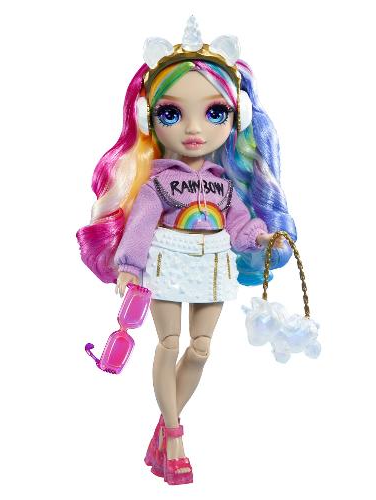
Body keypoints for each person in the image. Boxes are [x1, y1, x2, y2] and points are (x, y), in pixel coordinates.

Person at [77, 16, 297, 485]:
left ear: (236, 118)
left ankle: (164, 427)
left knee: (200, 349)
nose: (195, 129)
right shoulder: (157, 182)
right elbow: (140, 226)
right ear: (150, 119)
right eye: (173, 114)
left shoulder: (223, 185)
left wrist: (261, 237)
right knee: (169, 343)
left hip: (213, 264)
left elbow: (239, 225)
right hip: (167, 259)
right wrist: (128, 267)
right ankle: (175, 436)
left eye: (214, 113)